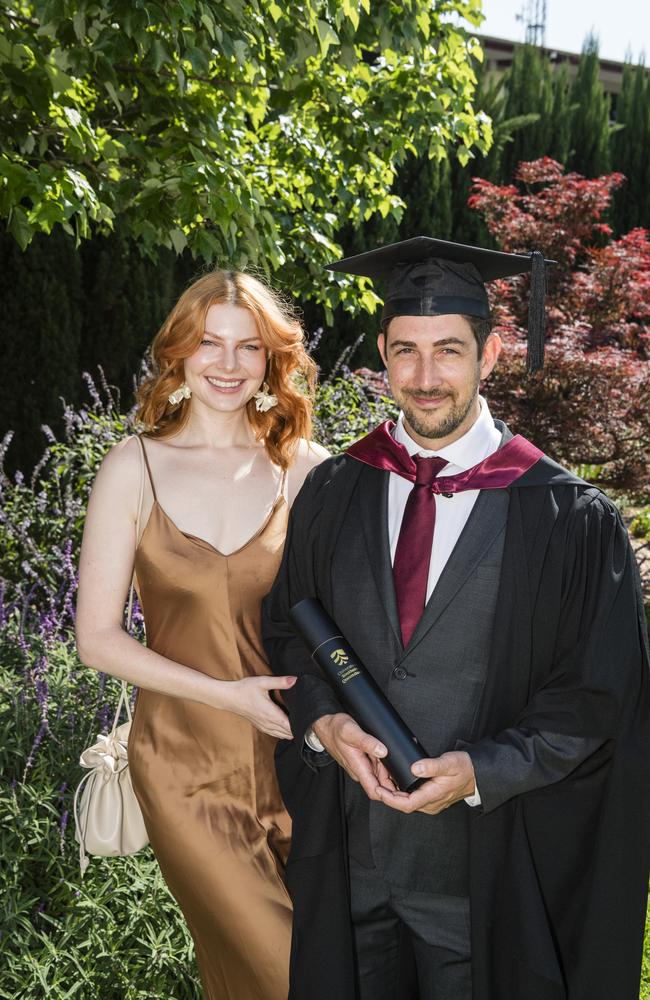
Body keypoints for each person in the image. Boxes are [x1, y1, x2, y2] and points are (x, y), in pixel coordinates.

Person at [262, 237, 650, 1000]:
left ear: (491, 354)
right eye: (405, 351)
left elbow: (601, 696)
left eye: (449, 350)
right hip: (352, 865)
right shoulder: (336, 490)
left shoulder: (568, 518)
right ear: (381, 353)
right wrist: (322, 725)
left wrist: (484, 770)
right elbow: (286, 632)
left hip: (490, 874)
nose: (426, 376)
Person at [75, 268, 329, 1000]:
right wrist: (227, 695)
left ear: (271, 360)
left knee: (260, 976)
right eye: (208, 344)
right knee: (296, 977)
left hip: (300, 765)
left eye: (247, 347)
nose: (226, 364)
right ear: (179, 353)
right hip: (185, 768)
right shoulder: (134, 468)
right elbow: (97, 638)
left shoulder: (305, 470)